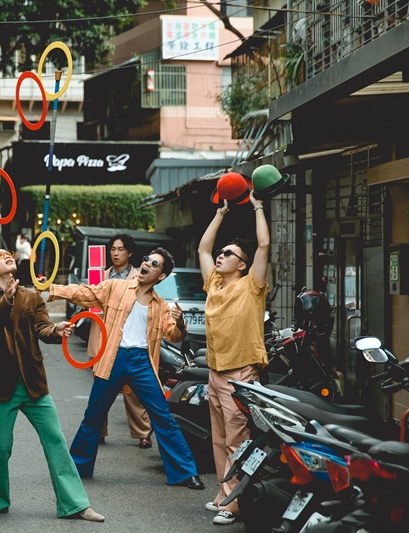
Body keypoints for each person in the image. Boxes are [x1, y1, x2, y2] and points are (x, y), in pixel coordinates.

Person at [46, 248, 204, 489]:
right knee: (94, 415)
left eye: (154, 264)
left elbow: (173, 335)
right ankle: (78, 468)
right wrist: (53, 288)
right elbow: (85, 293)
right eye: (146, 259)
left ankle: (184, 472)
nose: (146, 264)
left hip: (142, 362)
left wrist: (180, 321)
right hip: (114, 357)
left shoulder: (161, 305)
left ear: (161, 276)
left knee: (163, 417)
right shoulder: (115, 287)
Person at [0, 247, 104, 522]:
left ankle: (75, 504)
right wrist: (5, 301)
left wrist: (57, 329)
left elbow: (42, 328)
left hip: (33, 383)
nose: (7, 256)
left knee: (55, 440)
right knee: (0, 446)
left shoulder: (32, 296)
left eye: (9, 253)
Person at [197, 193, 270, 526]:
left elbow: (264, 245)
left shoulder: (252, 285)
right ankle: (223, 493)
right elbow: (203, 249)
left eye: (229, 253)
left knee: (237, 440)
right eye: (222, 252)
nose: (221, 255)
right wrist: (220, 214)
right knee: (219, 438)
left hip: (240, 372)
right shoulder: (214, 284)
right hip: (216, 371)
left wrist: (257, 207)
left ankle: (235, 503)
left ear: (242, 264)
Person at [93, 234, 153, 449]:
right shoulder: (99, 275)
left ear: (129, 253)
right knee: (100, 389)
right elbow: (88, 300)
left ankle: (143, 433)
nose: (116, 253)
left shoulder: (139, 276)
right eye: (112, 249)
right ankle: (98, 431)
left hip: (129, 339)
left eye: (120, 249)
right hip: (103, 337)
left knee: (133, 392)